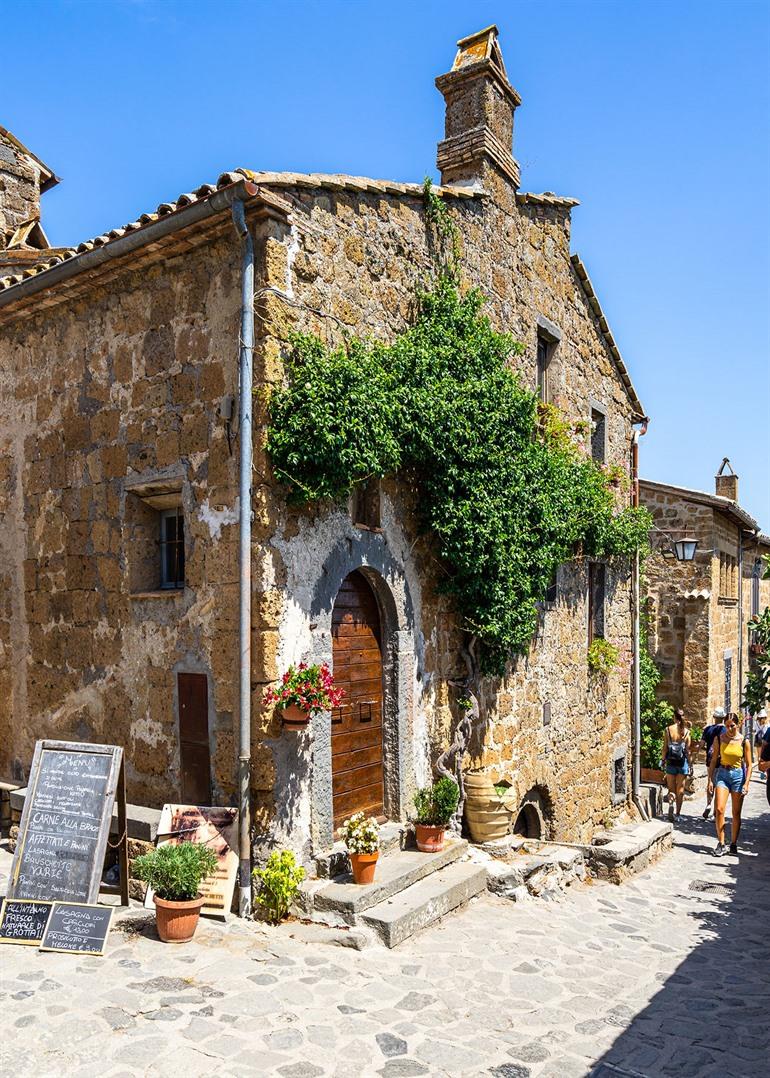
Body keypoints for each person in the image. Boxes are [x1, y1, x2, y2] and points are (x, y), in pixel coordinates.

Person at [707, 712, 752, 856]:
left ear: (738, 724)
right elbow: (714, 760)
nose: (729, 729)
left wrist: (746, 783)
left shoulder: (744, 741)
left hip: (738, 776)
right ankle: (721, 843)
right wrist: (710, 779)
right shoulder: (719, 739)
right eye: (727, 726)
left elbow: (749, 765)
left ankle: (733, 843)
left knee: (736, 813)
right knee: (719, 809)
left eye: (732, 725)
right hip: (722, 774)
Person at [663, 709, 691, 821]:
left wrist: (663, 760)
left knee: (671, 788)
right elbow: (688, 750)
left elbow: (664, 747)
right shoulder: (687, 732)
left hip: (670, 761)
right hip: (682, 762)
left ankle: (670, 804)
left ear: (674, 717)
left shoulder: (668, 730)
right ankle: (678, 814)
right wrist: (690, 763)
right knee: (680, 789)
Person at [700, 707, 727, 818]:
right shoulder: (726, 730)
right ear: (723, 718)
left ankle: (708, 804)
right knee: (719, 785)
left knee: (710, 782)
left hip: (710, 759)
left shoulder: (708, 729)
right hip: (722, 761)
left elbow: (701, 744)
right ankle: (716, 812)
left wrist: (699, 750)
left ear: (714, 717)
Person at [754, 710, 768, 782]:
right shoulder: (767, 725)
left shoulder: (756, 723)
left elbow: (754, 730)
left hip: (757, 740)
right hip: (763, 741)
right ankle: (763, 772)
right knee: (763, 757)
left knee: (759, 756)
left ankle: (762, 771)